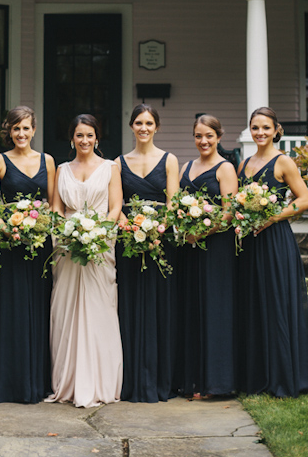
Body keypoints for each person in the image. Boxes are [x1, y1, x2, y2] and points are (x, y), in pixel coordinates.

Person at [236, 106, 308, 398]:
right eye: (255, 128)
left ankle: (283, 377)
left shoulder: (284, 162)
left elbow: (305, 199)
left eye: (265, 128)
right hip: (250, 243)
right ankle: (257, 377)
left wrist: (273, 217)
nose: (260, 133)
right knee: (254, 304)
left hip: (275, 240)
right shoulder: (244, 165)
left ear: (276, 130)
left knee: (277, 304)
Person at [46, 114, 123, 407]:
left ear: (97, 138)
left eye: (89, 135)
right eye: (79, 135)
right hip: (66, 247)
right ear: (72, 138)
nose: (84, 140)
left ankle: (101, 381)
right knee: (64, 309)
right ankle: (67, 380)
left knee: (100, 307)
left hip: (100, 245)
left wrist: (98, 233)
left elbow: (115, 207)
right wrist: (66, 233)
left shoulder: (110, 168)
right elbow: (56, 208)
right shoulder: (61, 169)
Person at [0, 106, 56, 403]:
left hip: (40, 247)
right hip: (11, 246)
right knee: (12, 309)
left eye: (26, 128)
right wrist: (8, 229)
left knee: (39, 308)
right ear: (9, 130)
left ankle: (38, 382)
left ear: (34, 130)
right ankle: (10, 383)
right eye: (16, 128)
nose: (21, 134)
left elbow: (53, 205)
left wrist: (40, 228)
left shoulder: (48, 161)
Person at [114, 104, 179, 402]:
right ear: (131, 126)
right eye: (138, 122)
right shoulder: (118, 163)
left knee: (160, 306)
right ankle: (130, 380)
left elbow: (173, 204)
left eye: (149, 123)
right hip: (128, 242)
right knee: (129, 305)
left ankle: (160, 378)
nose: (143, 128)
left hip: (160, 243)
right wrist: (133, 229)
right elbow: (117, 207)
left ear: (157, 127)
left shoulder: (169, 160)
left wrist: (156, 231)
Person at [177, 115, 238, 398]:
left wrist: (202, 231)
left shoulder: (225, 168)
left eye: (209, 136)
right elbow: (178, 204)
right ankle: (194, 381)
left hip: (216, 249)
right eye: (199, 136)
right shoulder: (186, 167)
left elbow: (229, 212)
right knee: (192, 308)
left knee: (215, 309)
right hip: (189, 251)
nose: (204, 141)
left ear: (219, 136)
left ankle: (218, 382)